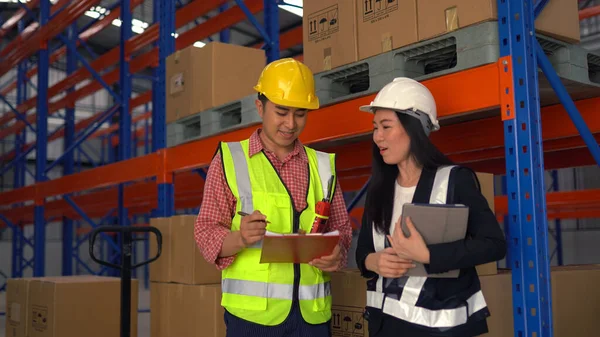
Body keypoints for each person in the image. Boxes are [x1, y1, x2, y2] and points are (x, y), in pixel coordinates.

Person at [194, 58, 353, 337]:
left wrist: (336, 256)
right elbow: (205, 231)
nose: (291, 124)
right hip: (252, 320)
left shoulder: (323, 166)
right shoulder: (230, 160)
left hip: (312, 319)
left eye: (300, 114)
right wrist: (240, 238)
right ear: (260, 107)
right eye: (281, 112)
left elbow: (342, 232)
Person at [355, 77, 507, 337]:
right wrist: (374, 262)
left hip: (441, 329)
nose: (377, 137)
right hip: (385, 326)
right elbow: (364, 252)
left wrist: (428, 256)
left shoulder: (454, 180)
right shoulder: (378, 189)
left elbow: (494, 244)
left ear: (414, 129)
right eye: (375, 127)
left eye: (386, 127)